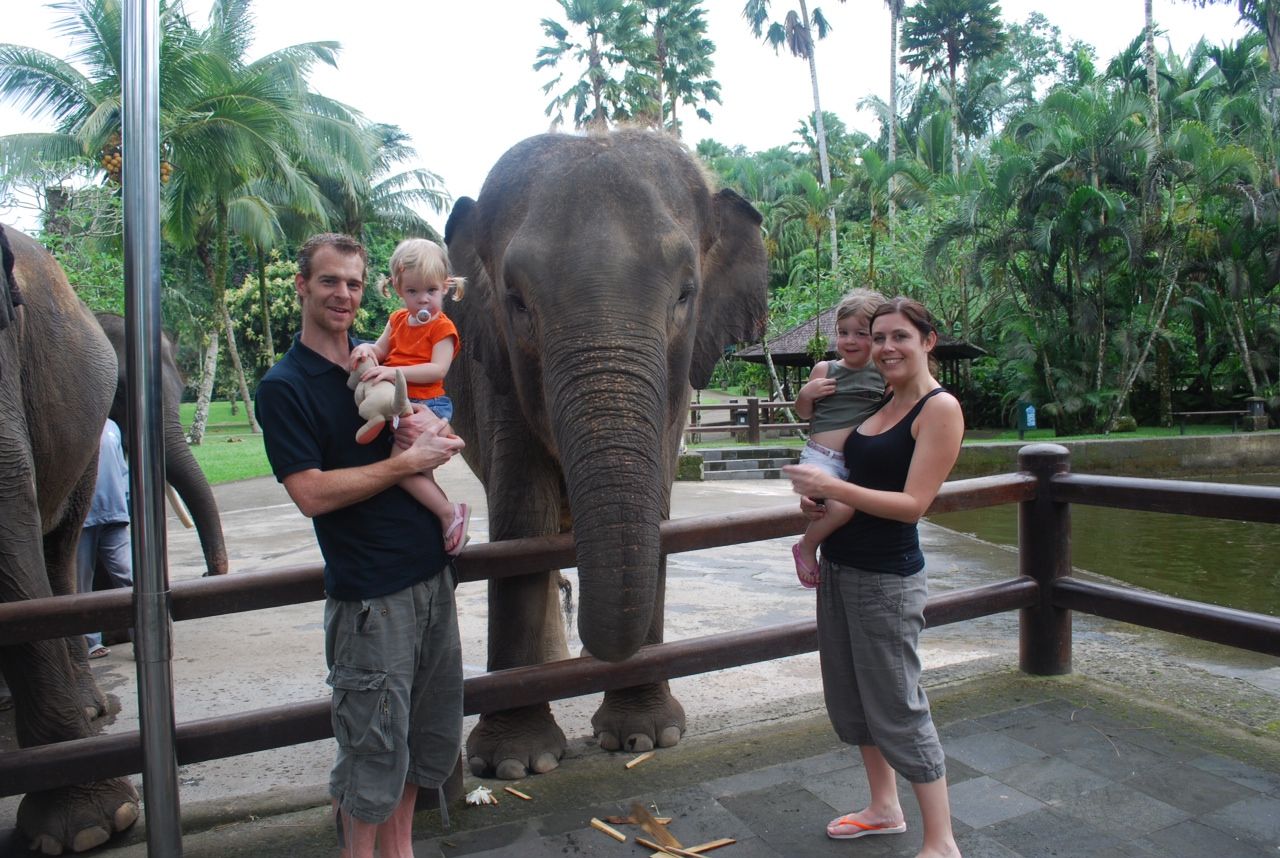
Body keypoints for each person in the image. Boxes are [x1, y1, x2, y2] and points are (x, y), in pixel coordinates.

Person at [255, 233, 467, 858]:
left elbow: (421, 432)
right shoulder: (286, 386)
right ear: (302, 285)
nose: (343, 294)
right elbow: (312, 493)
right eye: (329, 281)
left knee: (418, 745)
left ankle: (398, 853)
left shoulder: (375, 364)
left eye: (352, 282)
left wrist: (435, 433)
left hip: (431, 578)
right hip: (370, 600)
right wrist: (407, 467)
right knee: (370, 753)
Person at [783, 297, 965, 858]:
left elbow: (913, 504)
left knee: (898, 705)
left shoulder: (939, 408)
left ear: (927, 341)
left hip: (887, 579)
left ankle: (942, 841)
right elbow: (837, 450)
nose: (886, 347)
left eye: (900, 337)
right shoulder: (878, 397)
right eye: (878, 336)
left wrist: (835, 490)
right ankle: (884, 808)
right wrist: (818, 504)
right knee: (853, 699)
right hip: (841, 567)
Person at [349, 238, 470, 554]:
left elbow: (437, 370)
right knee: (419, 471)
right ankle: (442, 525)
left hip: (427, 403)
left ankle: (449, 513)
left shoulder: (441, 328)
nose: (423, 300)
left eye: (431, 291)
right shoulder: (397, 320)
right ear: (397, 290)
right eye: (413, 292)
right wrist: (366, 350)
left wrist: (393, 373)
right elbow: (380, 350)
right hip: (398, 401)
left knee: (402, 469)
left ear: (446, 288)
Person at [790, 288, 886, 587]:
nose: (850, 341)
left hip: (857, 463)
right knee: (842, 508)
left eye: (861, 333)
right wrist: (806, 394)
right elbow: (805, 414)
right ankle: (806, 545)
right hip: (822, 457)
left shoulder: (883, 374)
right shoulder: (825, 369)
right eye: (843, 333)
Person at [76, 417, 134, 658]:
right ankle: (89, 642)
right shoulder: (72, 425)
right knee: (81, 584)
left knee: (130, 576)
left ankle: (144, 637)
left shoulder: (112, 427)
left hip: (115, 515)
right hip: (81, 520)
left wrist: (128, 504)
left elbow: (122, 470)